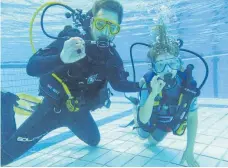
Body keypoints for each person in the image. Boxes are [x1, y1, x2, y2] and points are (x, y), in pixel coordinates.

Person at [1, 0, 141, 165]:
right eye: (101, 24)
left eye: (112, 27)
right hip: (53, 109)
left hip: (78, 112)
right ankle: (6, 104)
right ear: (92, 21)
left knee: (94, 140)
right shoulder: (71, 42)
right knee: (4, 157)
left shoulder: (111, 57)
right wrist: (60, 58)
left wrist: (143, 85)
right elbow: (32, 67)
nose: (106, 32)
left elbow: (118, 84)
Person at [133, 23, 200, 167]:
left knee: (151, 143)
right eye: (161, 65)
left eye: (172, 63)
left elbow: (192, 118)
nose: (167, 70)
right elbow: (144, 119)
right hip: (148, 118)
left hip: (166, 123)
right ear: (154, 68)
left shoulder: (188, 85)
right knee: (142, 136)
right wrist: (152, 94)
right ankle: (135, 108)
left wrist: (189, 150)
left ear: (179, 63)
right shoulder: (149, 82)